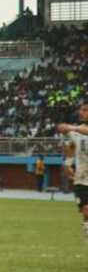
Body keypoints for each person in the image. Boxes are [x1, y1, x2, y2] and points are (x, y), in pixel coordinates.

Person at [57, 102, 88, 238]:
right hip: (82, 178)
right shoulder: (77, 131)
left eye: (85, 110)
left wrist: (70, 127)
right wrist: (68, 164)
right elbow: (70, 147)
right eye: (81, 110)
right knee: (86, 210)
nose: (81, 112)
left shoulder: (77, 129)